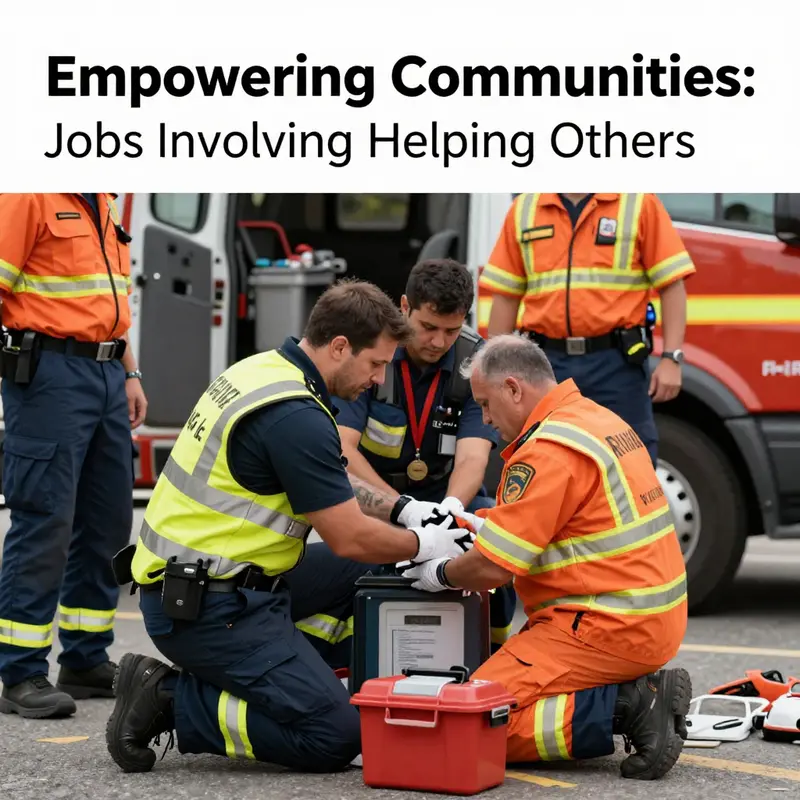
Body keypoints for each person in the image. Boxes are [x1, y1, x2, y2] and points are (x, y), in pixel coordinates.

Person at [104, 280, 475, 775]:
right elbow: (349, 537)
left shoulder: (265, 372)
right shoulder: (294, 415)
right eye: (376, 363)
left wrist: (403, 510)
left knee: (382, 565)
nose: (378, 377)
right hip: (211, 611)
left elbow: (325, 475)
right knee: (334, 736)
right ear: (340, 346)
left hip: (226, 584)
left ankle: (298, 675)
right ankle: (170, 698)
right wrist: (425, 542)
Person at [402, 334, 691, 781]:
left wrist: (438, 572)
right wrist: (478, 524)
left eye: (485, 403)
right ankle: (629, 695)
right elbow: (567, 522)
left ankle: (627, 707)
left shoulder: (547, 450)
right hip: (643, 617)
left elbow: (494, 568)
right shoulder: (595, 419)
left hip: (602, 628)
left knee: (467, 720)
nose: (485, 418)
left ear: (514, 389)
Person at [0, 193, 147, 719]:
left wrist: (128, 372)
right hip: (49, 374)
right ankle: (19, 671)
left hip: (106, 372)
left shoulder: (101, 199)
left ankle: (85, 659)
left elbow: (109, 300)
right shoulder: (27, 192)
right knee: (45, 521)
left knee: (107, 524)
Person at [334, 258, 516, 650]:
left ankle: (494, 649)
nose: (438, 342)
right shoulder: (372, 355)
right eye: (428, 327)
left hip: (445, 498)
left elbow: (473, 458)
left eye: (451, 331)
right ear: (404, 307)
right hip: (373, 498)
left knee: (494, 549)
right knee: (357, 568)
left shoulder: (474, 364)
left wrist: (449, 508)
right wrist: (399, 507)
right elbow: (343, 449)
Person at [480, 193, 695, 466]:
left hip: (616, 365)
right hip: (545, 366)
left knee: (628, 462)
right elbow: (506, 296)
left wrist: (672, 357)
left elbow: (672, 285)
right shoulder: (526, 207)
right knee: (543, 461)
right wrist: (496, 371)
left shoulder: (638, 202)